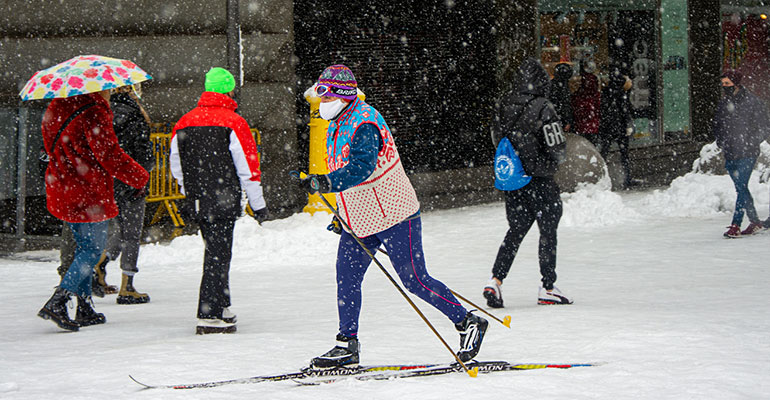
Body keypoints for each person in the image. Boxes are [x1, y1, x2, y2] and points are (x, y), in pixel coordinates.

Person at [296, 64, 487, 369]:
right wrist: (341, 213)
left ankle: (467, 322)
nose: (320, 103)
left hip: (395, 213)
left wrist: (324, 183)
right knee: (347, 277)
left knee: (414, 280)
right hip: (359, 219)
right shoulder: (336, 121)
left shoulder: (365, 123)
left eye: (325, 96)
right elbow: (341, 167)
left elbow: (361, 168)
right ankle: (347, 344)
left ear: (341, 96)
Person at [37, 89, 150, 331]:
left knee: (82, 246)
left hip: (63, 185)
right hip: (88, 189)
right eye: (107, 88)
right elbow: (109, 154)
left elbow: (49, 146)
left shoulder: (55, 107)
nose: (110, 91)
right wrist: (139, 176)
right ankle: (59, 301)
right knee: (92, 249)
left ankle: (85, 305)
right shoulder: (95, 111)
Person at [170, 67, 268, 334]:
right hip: (223, 199)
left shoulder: (184, 121)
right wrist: (258, 205)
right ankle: (209, 313)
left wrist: (188, 190)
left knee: (215, 250)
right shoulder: (234, 122)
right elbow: (248, 168)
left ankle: (222, 305)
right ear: (230, 90)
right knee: (218, 254)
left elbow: (175, 164)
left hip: (198, 200)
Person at [482, 58, 571, 308]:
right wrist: (545, 160)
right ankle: (548, 286)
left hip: (514, 179)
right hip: (541, 179)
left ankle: (495, 281)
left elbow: (496, 138)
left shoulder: (502, 105)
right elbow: (557, 146)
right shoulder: (544, 106)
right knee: (548, 231)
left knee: (516, 231)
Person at [89, 83, 155, 304]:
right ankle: (127, 285)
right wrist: (144, 173)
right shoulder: (136, 116)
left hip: (109, 180)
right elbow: (144, 152)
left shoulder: (102, 113)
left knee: (118, 228)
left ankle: (101, 261)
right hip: (131, 179)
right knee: (132, 233)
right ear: (131, 90)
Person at [713, 70, 768, 238]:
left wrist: (751, 142)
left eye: (727, 84)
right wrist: (721, 141)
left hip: (747, 152)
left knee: (741, 187)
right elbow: (718, 125)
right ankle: (755, 222)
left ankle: (736, 224)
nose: (724, 87)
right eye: (723, 84)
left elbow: (764, 126)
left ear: (736, 84)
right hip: (730, 152)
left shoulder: (753, 102)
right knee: (741, 188)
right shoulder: (723, 104)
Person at [598, 68, 634, 189]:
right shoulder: (621, 94)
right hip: (619, 127)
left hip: (607, 127)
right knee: (624, 154)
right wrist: (628, 125)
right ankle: (627, 179)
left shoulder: (606, 92)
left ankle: (600, 177)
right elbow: (625, 111)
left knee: (604, 152)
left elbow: (602, 109)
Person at [571, 68, 601, 148]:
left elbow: (575, 109)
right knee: (592, 147)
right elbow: (598, 109)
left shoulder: (579, 95)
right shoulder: (595, 95)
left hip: (581, 126)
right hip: (592, 126)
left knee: (583, 146)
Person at [549, 62, 574, 132]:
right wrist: (567, 120)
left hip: (552, 117)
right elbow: (565, 104)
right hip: (559, 118)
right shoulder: (563, 86)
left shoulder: (552, 84)